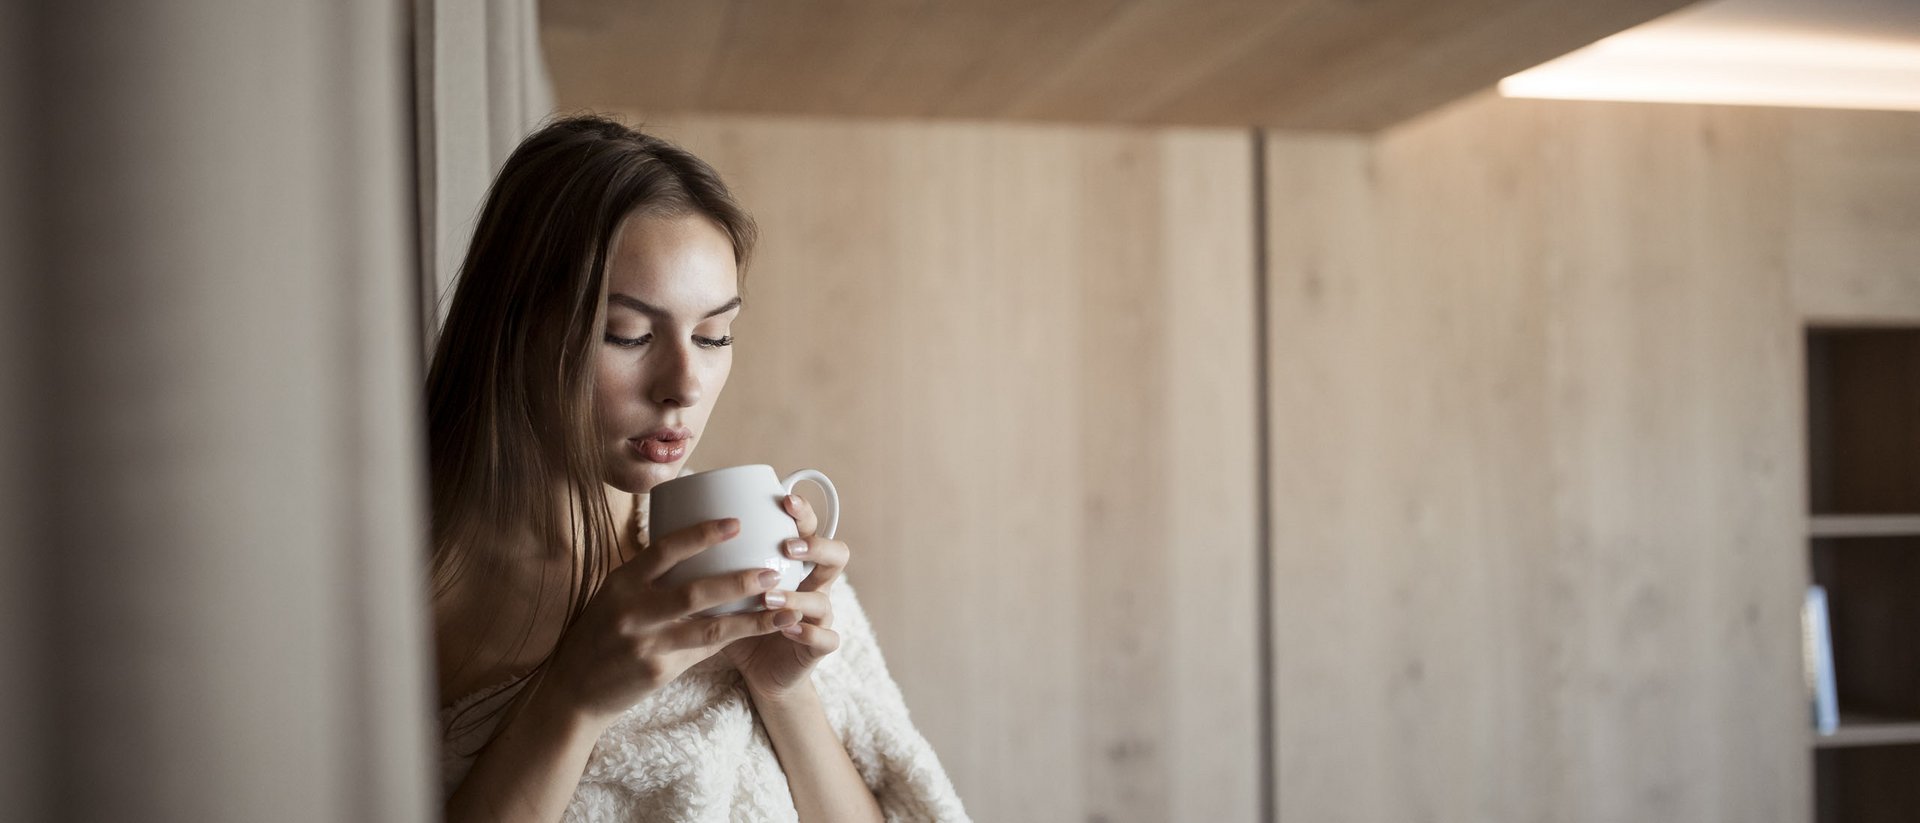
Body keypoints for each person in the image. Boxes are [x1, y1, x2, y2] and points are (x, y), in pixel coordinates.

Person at [426, 114, 969, 822]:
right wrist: (572, 698)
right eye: (628, 334)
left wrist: (782, 691)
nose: (684, 384)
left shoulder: (756, 556)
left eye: (713, 336)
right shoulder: (409, 595)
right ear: (514, 326)